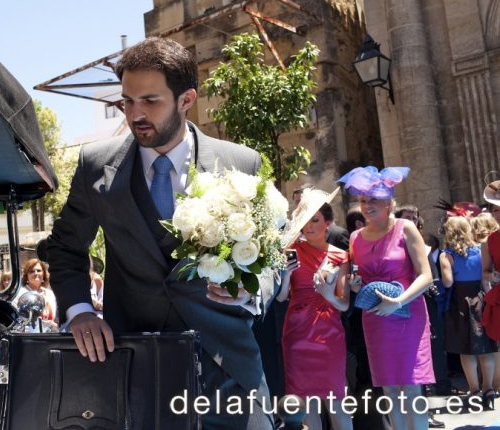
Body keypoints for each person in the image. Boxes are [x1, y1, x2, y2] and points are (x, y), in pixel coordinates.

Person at [46, 37, 274, 428]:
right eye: (127, 102)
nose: (136, 114)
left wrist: (252, 291)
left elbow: (275, 257)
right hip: (135, 370)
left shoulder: (242, 163)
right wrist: (80, 311)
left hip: (230, 370)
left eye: (150, 101)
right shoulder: (95, 166)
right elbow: (65, 247)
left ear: (186, 100)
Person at [339, 166, 434, 429]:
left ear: (389, 201)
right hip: (377, 319)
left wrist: (399, 301)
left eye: (374, 200)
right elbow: (361, 280)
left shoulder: (405, 228)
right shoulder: (355, 238)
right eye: (362, 201)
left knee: (411, 389)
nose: (367, 206)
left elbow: (426, 275)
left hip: (408, 315)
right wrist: (356, 285)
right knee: (390, 391)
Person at [278, 188, 352, 430]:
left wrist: (328, 294)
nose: (309, 226)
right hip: (297, 332)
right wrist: (287, 275)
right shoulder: (290, 251)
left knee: (337, 401)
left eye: (316, 220)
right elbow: (280, 298)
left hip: (329, 333)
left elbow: (344, 303)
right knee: (306, 406)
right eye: (305, 221)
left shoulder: (341, 255)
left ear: (328, 223)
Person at [440, 216, 497, 409]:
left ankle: (474, 391)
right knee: (486, 347)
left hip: (459, 303)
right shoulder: (480, 251)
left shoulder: (446, 255)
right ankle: (488, 389)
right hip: (480, 299)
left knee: (466, 349)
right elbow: (485, 280)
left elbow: (447, 282)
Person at [482, 179, 500, 396]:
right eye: (494, 210)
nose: (497, 213)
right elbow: (485, 271)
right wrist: (492, 275)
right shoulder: (489, 241)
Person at [13, 258, 58, 327]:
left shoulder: (50, 294)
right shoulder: (19, 294)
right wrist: (48, 325)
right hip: (29, 335)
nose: (36, 273)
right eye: (32, 271)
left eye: (39, 270)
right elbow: (19, 319)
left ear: (44, 274)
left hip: (50, 335)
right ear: (26, 276)